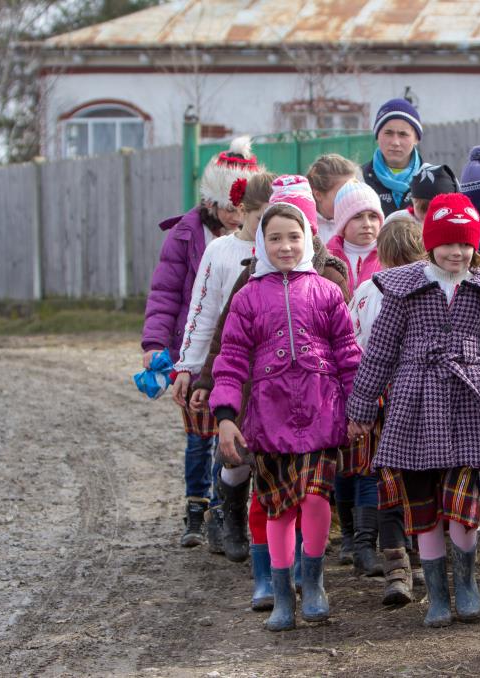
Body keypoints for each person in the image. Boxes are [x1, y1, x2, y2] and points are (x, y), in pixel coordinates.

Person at [346, 193, 480, 628]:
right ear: (430, 243)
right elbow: (380, 352)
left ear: (475, 247)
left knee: (462, 499)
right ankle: (437, 594)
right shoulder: (404, 288)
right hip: (415, 407)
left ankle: (467, 584)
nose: (456, 252)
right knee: (421, 505)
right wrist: (362, 407)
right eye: (447, 243)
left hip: (470, 408)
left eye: (465, 244)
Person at [189, 176, 352, 612]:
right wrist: (226, 416)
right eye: (275, 237)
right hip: (268, 420)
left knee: (317, 498)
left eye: (294, 237)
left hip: (321, 415)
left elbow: (348, 355)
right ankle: (280, 593)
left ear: (308, 238)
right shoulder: (248, 298)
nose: (285, 246)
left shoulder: (326, 292)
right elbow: (230, 360)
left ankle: (313, 583)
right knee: (277, 508)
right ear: (261, 243)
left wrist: (357, 408)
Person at [140, 136, 262, 549]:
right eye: (229, 207)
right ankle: (196, 504)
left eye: (242, 207)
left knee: (229, 428)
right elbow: (165, 294)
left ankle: (221, 511)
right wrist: (157, 344)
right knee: (199, 435)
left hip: (233, 353)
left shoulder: (259, 239)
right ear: (211, 202)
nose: (235, 215)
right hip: (192, 348)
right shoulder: (185, 236)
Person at [169, 171, 275, 563]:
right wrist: (189, 367)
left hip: (273, 366)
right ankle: (227, 516)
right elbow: (203, 311)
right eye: (263, 215)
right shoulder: (220, 252)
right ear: (243, 210)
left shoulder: (284, 250)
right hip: (230, 363)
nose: (271, 226)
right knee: (230, 444)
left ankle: (266, 526)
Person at [347, 215, 427, 605]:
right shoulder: (373, 291)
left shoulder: (366, 290)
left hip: (386, 401)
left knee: (392, 484)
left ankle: (402, 565)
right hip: (407, 402)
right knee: (411, 483)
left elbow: (354, 346)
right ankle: (408, 564)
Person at [362, 98, 424, 216]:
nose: (395, 142)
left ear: (416, 139)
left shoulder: (434, 180)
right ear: (377, 135)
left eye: (403, 134)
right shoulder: (360, 179)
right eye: (388, 133)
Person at [326, 181, 386, 296]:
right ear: (342, 224)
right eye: (357, 217)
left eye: (373, 216)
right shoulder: (326, 258)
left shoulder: (391, 255)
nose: (367, 224)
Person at [307, 153, 361, 243]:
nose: (350, 197)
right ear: (318, 195)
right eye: (342, 192)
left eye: (353, 190)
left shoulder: (363, 222)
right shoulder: (303, 225)